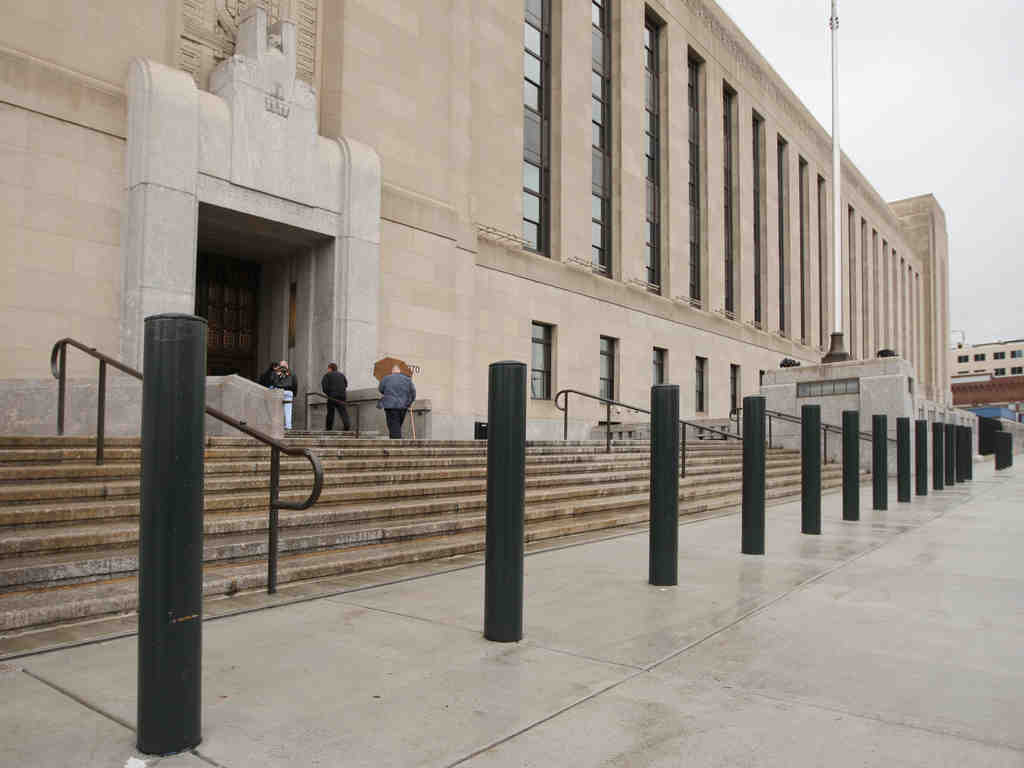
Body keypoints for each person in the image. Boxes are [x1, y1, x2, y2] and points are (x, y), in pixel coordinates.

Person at [378, 364, 416, 439]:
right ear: (399, 371)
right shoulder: (407, 379)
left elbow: (381, 389)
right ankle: (394, 441)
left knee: (393, 425)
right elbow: (413, 393)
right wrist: (409, 403)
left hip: (390, 405)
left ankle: (397, 443)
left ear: (392, 371)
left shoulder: (386, 378)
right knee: (397, 425)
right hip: (403, 406)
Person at [321, 362, 351, 431]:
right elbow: (346, 384)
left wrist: (329, 393)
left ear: (330, 368)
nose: (327, 370)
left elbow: (324, 387)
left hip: (332, 396)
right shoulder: (342, 375)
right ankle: (347, 426)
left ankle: (329, 429)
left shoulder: (327, 375)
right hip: (342, 396)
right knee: (343, 412)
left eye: (328, 369)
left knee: (330, 413)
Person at [271, 360, 298, 430]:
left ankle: (277, 426)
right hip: (289, 392)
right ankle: (288, 426)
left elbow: (273, 381)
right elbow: (295, 383)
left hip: (279, 391)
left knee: (278, 410)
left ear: (280, 366)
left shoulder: (276, 372)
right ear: (287, 365)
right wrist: (294, 393)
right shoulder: (292, 373)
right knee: (288, 410)